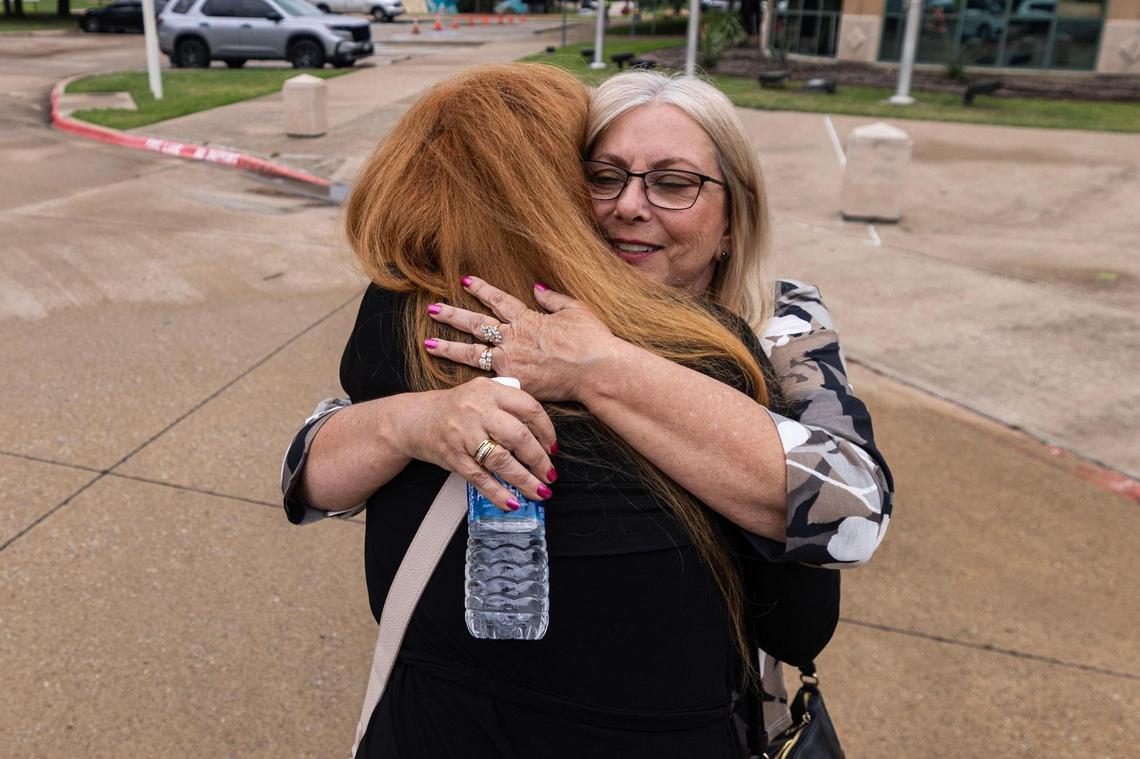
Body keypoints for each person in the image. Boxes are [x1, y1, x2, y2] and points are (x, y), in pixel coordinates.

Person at [282, 65, 893, 756]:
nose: (630, 205)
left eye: (673, 182)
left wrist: (602, 366)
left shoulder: (780, 318)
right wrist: (417, 419)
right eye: (604, 176)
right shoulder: (523, 310)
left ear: (732, 220)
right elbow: (311, 464)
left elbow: (852, 511)